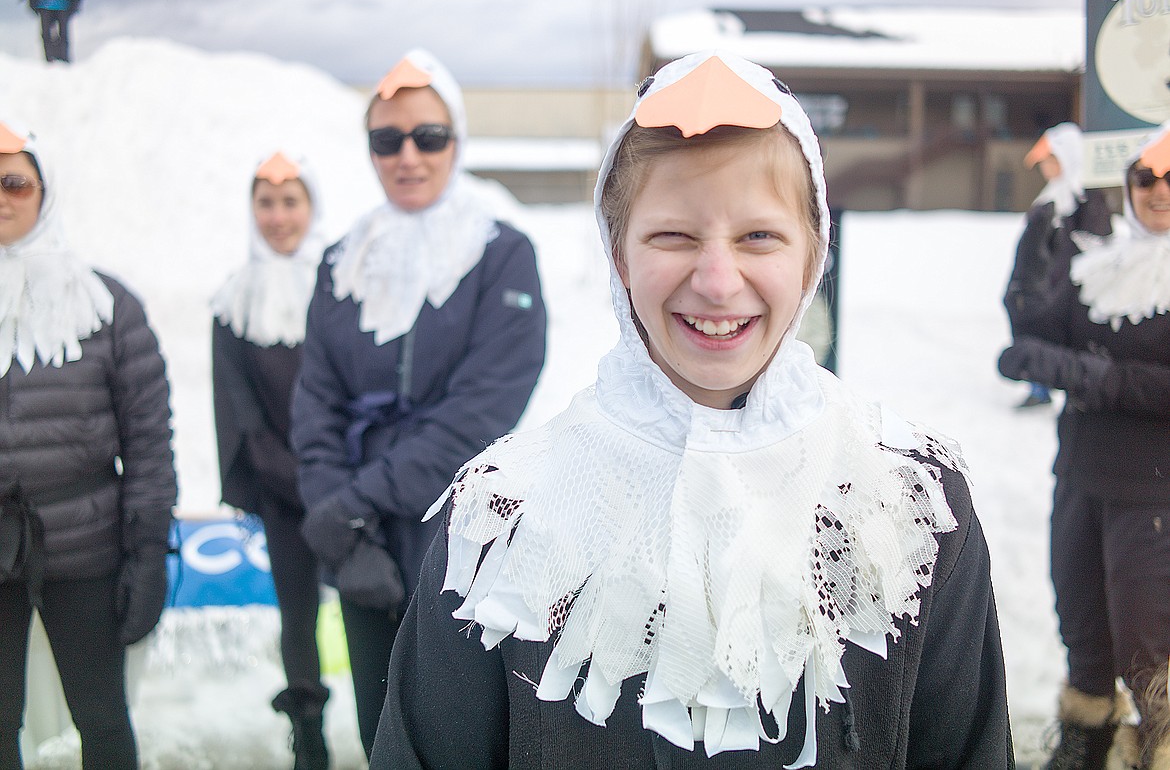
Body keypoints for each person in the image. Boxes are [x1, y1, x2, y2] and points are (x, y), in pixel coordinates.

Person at [371, 51, 1012, 768]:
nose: (716, 279)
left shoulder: (907, 503)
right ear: (618, 255)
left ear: (813, 253)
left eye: (758, 236)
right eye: (673, 236)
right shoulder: (504, 516)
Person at [290, 48, 547, 759]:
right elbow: (315, 400)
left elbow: (483, 407)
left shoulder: (502, 255)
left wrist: (355, 502)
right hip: (358, 535)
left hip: (460, 532)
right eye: (387, 138)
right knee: (380, 727)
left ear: (456, 141)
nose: (408, 155)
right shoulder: (342, 260)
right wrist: (336, 519)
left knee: (463, 729)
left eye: (428, 136)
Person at [0, 119, 176, 769]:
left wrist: (150, 549)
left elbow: (150, 438)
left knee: (101, 717)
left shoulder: (106, 304)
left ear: (46, 191)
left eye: (15, 180)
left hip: (85, 544)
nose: (2, 195)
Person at [999, 122, 1170, 768]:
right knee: (1085, 633)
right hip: (1081, 479)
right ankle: (1087, 744)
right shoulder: (1100, 267)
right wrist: (1033, 255)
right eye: (1145, 177)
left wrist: (1098, 377)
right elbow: (1031, 334)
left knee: (1150, 647)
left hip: (1155, 494)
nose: (1157, 190)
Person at [211, 151, 330, 770]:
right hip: (282, 484)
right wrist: (284, 473)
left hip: (346, 481)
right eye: (266, 202)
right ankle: (308, 738)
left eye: (291, 202)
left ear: (312, 207)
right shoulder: (233, 301)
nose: (278, 216)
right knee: (298, 615)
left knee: (372, 605)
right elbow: (237, 405)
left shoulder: (345, 288)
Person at [1004, 122, 1113, 409]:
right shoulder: (1051, 197)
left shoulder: (1085, 197)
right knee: (1033, 326)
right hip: (1040, 283)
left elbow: (1096, 244)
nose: (1046, 167)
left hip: (1067, 286)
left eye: (1051, 160)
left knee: (1065, 336)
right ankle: (1039, 385)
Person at [20, 0, 84, 63]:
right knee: (60, 34)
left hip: (47, 2)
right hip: (60, 3)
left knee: (48, 35)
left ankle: (51, 59)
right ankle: (61, 59)